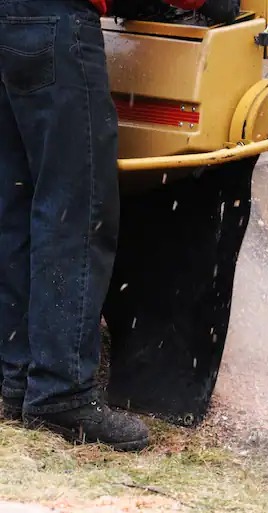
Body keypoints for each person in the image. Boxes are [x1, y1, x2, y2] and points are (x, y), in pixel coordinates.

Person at [0, 0, 229, 452]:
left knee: (18, 201)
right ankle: (61, 392)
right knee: (75, 205)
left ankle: (20, 380)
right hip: (55, 20)